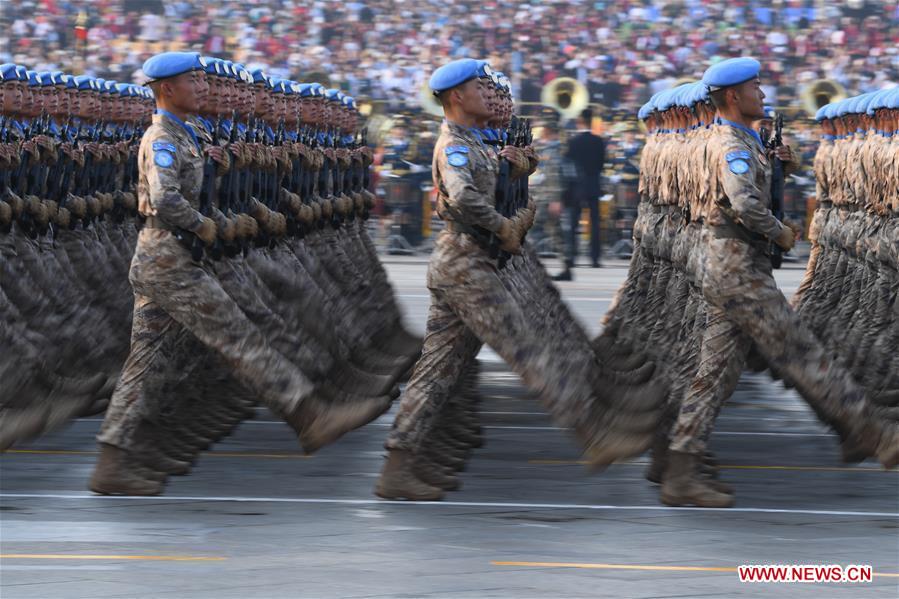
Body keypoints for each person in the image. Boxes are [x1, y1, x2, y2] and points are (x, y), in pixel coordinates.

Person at [90, 52, 386, 496]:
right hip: (170, 258)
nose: (204, 87)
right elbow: (166, 198)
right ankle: (310, 416)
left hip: (172, 256)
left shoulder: (188, 134)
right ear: (167, 89)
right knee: (238, 335)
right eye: (194, 81)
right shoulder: (162, 138)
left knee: (149, 364)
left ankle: (115, 461)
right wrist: (207, 225)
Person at [660, 57, 898, 508]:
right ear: (733, 96)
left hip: (728, 267)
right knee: (800, 351)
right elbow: (744, 203)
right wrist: (780, 232)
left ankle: (679, 470)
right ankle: (876, 434)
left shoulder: (739, 139)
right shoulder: (730, 142)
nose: (763, 95)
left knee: (715, 373)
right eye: (755, 88)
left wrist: (778, 169)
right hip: (739, 269)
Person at [555, 107, 605, 281]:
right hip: (593, 185)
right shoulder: (599, 141)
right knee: (595, 223)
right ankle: (595, 258)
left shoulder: (573, 142)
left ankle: (572, 256)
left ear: (579, 121)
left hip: (576, 187)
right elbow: (601, 164)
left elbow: (567, 166)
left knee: (574, 224)